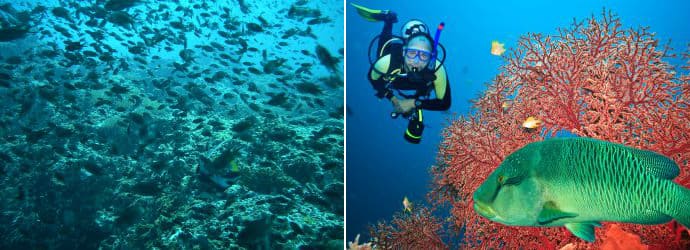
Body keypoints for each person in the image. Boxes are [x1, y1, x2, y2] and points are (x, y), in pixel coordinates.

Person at [352, 4, 451, 144]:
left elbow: (445, 103)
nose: (416, 61)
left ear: (431, 57)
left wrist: (413, 103)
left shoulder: (436, 68)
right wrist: (392, 98)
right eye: (411, 53)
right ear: (403, 51)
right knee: (382, 50)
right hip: (393, 66)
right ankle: (389, 19)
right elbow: (372, 79)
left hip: (411, 90)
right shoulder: (387, 62)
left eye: (424, 55)